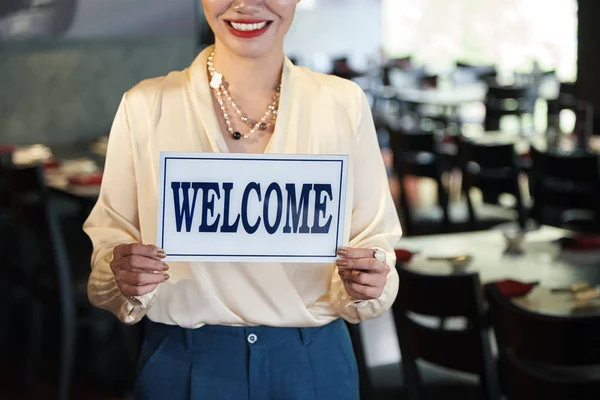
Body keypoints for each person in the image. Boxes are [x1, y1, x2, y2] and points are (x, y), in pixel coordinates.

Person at [83, 0, 402, 399]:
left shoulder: (342, 103)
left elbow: (375, 240)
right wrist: (124, 272)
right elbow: (109, 248)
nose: (247, 4)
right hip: (184, 361)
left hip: (313, 361)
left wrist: (369, 279)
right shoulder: (146, 105)